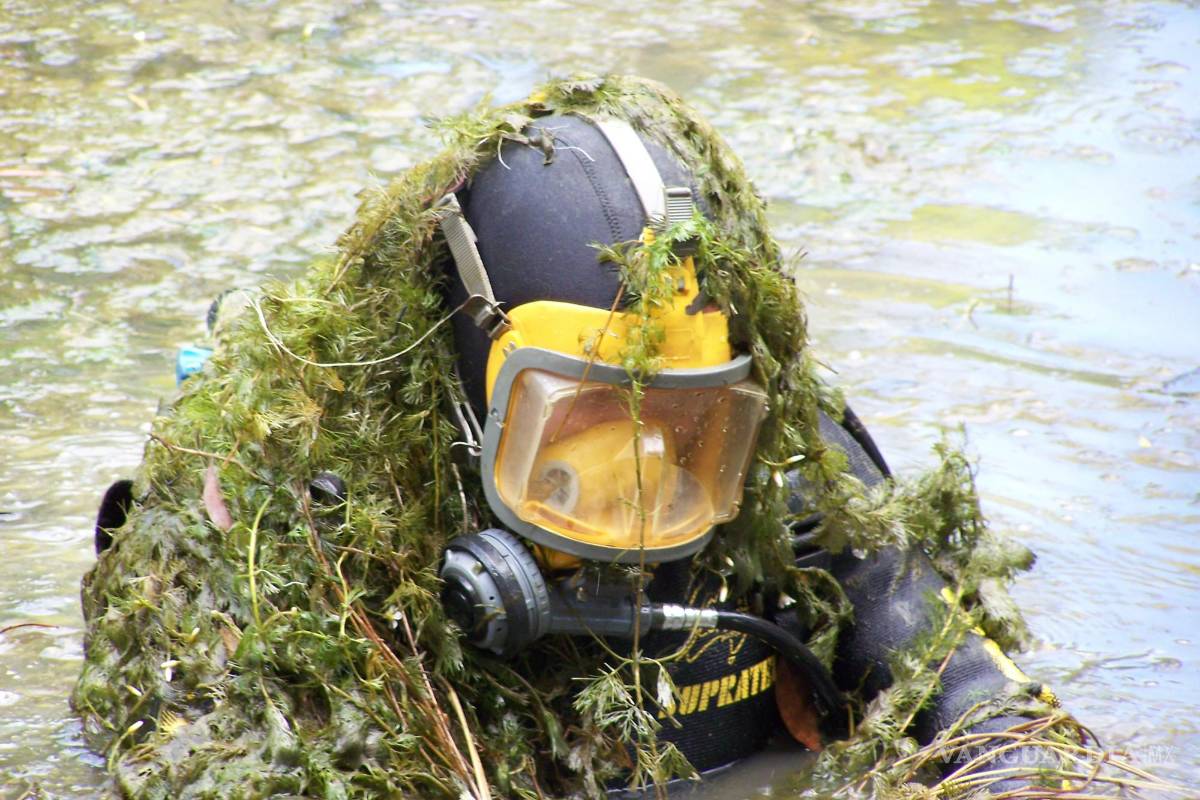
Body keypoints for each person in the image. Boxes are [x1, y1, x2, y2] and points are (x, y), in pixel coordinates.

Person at [78, 76, 1066, 799]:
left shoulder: (788, 488)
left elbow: (984, 707)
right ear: (470, 399)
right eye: (588, 415)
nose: (641, 474)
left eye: (683, 425)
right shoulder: (308, 540)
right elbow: (189, 755)